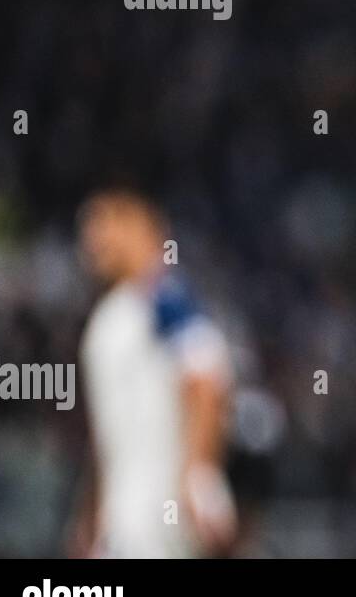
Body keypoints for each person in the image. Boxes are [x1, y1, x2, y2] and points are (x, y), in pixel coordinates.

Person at [70, 189, 236, 557]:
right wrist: (92, 513)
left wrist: (199, 476)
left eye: (107, 220)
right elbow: (109, 433)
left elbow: (207, 378)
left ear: (145, 225)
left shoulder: (166, 299)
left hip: (163, 511)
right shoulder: (113, 313)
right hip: (124, 514)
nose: (93, 236)